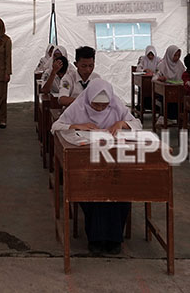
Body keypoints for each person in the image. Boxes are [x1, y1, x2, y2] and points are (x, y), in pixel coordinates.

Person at [51, 79, 141, 254]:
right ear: (89, 99)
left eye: (104, 106)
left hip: (114, 163)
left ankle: (114, 239)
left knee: (120, 192)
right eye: (96, 105)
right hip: (87, 164)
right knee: (93, 193)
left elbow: (137, 124)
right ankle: (96, 238)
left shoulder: (116, 105)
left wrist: (122, 124)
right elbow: (56, 126)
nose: (100, 109)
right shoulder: (79, 106)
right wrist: (77, 125)